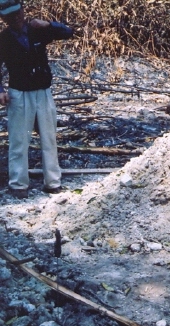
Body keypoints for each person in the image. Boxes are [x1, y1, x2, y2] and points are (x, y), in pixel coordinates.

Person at [0, 0, 73, 199]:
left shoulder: (37, 29)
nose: (15, 17)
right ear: (3, 18)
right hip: (19, 93)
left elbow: (68, 32)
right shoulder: (3, 39)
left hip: (43, 91)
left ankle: (53, 182)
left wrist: (49, 24)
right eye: (9, 15)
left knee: (49, 137)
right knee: (18, 140)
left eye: (17, 12)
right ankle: (18, 184)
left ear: (23, 10)